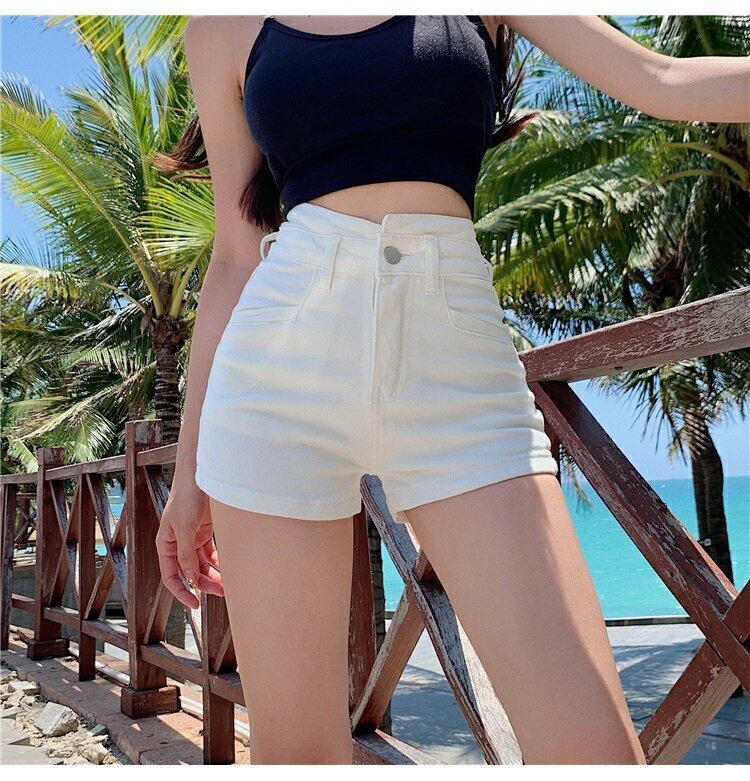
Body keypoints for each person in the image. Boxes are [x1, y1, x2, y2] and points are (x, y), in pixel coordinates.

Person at [154, 15, 749, 765]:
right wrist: (189, 477)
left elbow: (660, 78)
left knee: (593, 751)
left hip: (460, 373)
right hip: (275, 378)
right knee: (298, 753)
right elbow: (235, 255)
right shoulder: (222, 27)